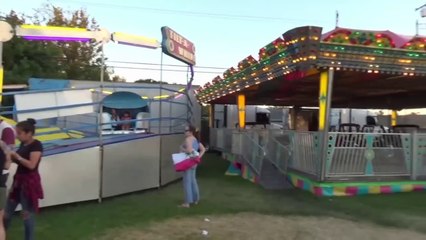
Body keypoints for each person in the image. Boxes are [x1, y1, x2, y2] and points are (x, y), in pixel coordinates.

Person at [4, 118, 44, 240]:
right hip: (18, 182)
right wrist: (10, 156)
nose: (17, 136)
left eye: (19, 133)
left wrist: (17, 157)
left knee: (27, 216)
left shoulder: (36, 145)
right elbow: (20, 161)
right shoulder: (23, 144)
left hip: (29, 183)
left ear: (29, 133)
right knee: (6, 213)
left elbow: (32, 165)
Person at [179, 125, 205, 208]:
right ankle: (196, 199)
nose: (184, 132)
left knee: (187, 182)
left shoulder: (188, 139)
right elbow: (203, 149)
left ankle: (187, 202)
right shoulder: (196, 139)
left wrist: (182, 149)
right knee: (193, 181)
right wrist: (198, 158)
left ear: (190, 132)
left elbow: (189, 150)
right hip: (194, 162)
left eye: (186, 130)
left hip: (188, 162)